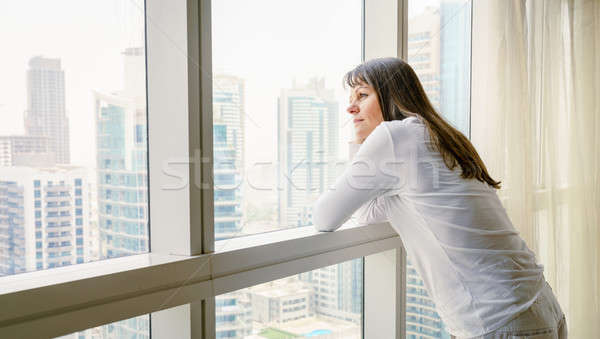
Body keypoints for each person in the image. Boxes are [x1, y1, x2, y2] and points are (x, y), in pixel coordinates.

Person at [312, 57, 567, 339]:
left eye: (362, 95)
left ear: (392, 96)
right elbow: (369, 214)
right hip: (538, 305)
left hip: (499, 321)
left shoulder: (396, 136)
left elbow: (324, 217)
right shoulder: (437, 136)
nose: (350, 107)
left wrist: (360, 145)